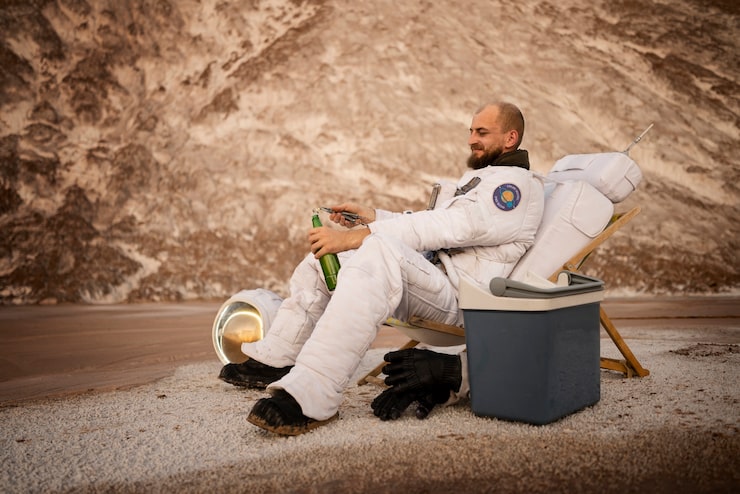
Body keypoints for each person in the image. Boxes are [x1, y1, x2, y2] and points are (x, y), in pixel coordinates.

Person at [219, 101, 545, 435]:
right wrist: (371, 217)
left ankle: (314, 392)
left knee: (378, 250)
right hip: (433, 278)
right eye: (471, 131)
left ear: (510, 138)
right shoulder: (484, 178)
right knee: (323, 260)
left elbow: (448, 227)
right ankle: (280, 358)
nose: (472, 139)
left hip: (461, 298)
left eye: (482, 132)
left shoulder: (514, 189)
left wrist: (355, 238)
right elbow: (431, 222)